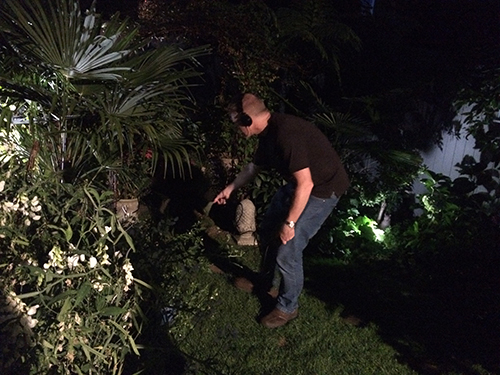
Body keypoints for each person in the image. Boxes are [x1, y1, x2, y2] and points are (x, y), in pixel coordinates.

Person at [213, 93, 349, 328]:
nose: (235, 128)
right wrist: (230, 188)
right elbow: (254, 167)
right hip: (301, 186)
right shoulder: (268, 132)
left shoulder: (286, 134)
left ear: (247, 120)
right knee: (268, 230)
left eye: (236, 122)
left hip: (323, 190)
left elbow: (307, 185)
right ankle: (267, 282)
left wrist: (290, 224)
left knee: (288, 248)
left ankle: (288, 306)